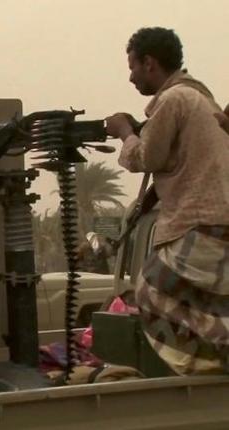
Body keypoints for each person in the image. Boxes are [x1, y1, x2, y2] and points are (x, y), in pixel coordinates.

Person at [105, 27, 229, 375]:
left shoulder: (174, 100)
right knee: (207, 304)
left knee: (150, 290)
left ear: (149, 63)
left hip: (197, 221)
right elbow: (184, 161)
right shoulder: (203, 99)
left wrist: (125, 133)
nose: (130, 76)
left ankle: (199, 369)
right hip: (216, 221)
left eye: (132, 67)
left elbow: (146, 158)